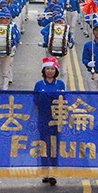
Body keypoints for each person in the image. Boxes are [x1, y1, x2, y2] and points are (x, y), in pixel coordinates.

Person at [33, 56, 65, 186]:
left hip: (56, 119)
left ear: (56, 70)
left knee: (54, 144)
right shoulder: (39, 85)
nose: (50, 71)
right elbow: (34, 101)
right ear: (44, 70)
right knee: (44, 144)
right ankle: (45, 171)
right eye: (47, 69)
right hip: (43, 118)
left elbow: (64, 100)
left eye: (52, 69)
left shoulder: (60, 84)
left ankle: (53, 172)